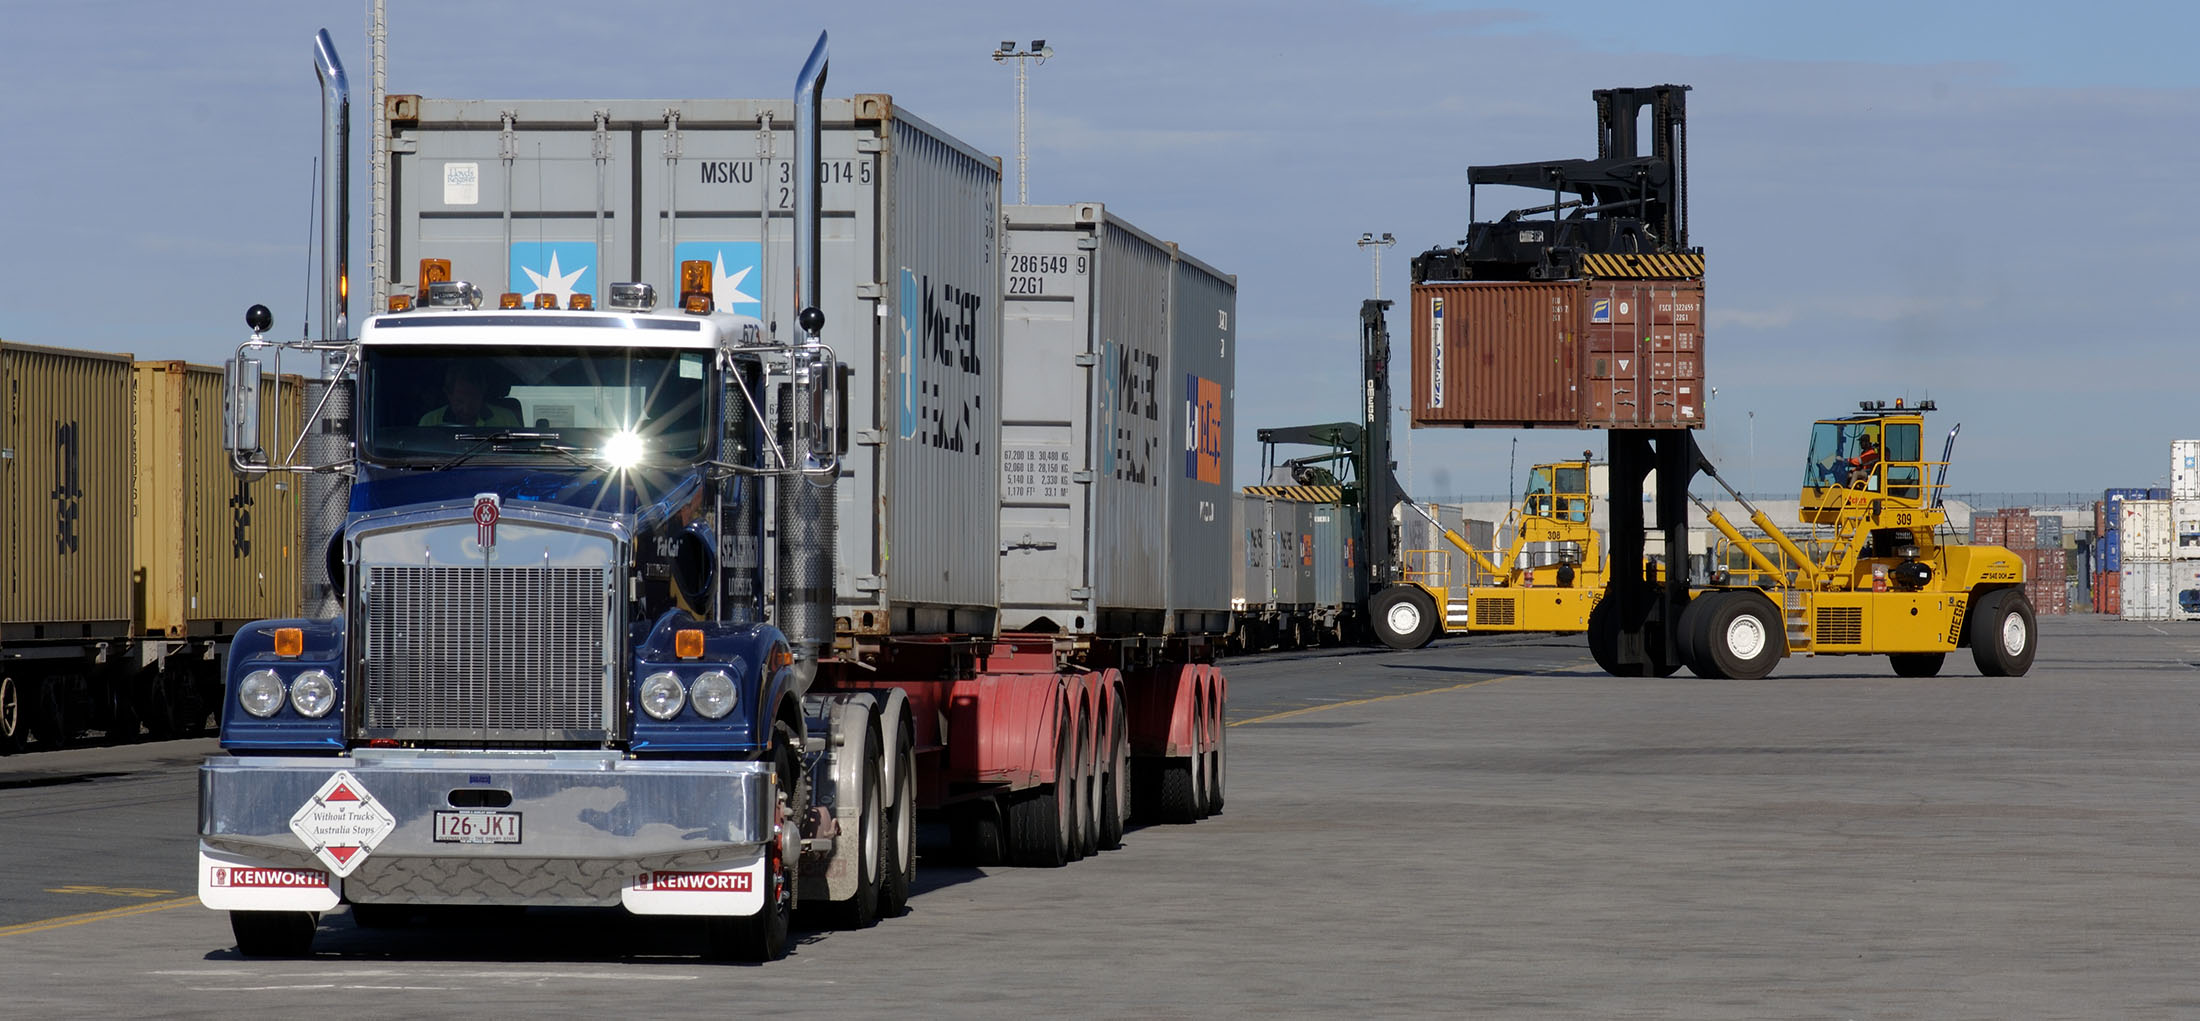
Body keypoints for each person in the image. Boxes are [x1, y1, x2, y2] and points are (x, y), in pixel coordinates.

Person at [419, 361, 520, 427]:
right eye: (459, 401)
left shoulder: (506, 420)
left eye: (474, 401)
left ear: (483, 393)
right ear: (448, 395)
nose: (466, 409)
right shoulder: (429, 422)